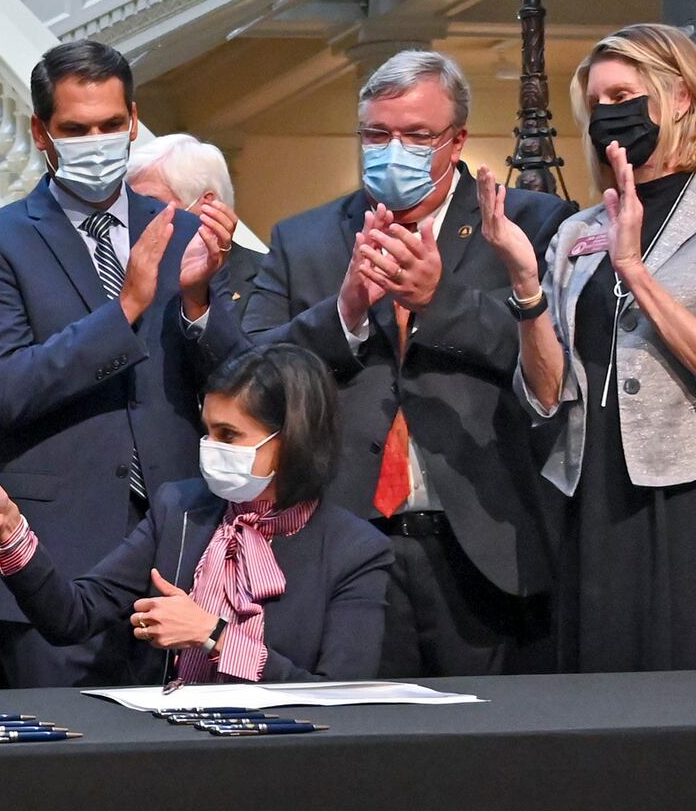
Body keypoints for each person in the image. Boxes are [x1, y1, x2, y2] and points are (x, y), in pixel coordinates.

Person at [241, 50, 573, 678]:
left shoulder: (532, 222)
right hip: (347, 544)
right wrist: (343, 313)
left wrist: (439, 301)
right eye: (377, 134)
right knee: (362, 730)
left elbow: (554, 366)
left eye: (418, 136)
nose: (394, 150)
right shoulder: (302, 238)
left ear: (458, 141)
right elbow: (250, 378)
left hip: (486, 540)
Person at [0, 39, 242, 687]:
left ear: (133, 120)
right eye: (76, 129)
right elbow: (5, 387)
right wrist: (127, 306)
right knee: (62, 747)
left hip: (179, 551)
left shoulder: (182, 230)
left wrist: (199, 303)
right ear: (41, 133)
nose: (96, 141)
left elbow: (238, 387)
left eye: (110, 124)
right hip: (55, 556)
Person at [0, 345, 392, 682]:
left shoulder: (355, 550)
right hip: (175, 744)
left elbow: (339, 696)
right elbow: (73, 616)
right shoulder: (180, 510)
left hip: (281, 754)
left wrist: (213, 635)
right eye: (208, 432)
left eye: (229, 435)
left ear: (293, 438)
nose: (211, 448)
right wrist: (11, 529)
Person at [485, 23, 696, 672]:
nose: (608, 115)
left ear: (682, 97)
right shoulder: (580, 229)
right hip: (592, 485)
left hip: (682, 488)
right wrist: (526, 285)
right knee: (602, 677)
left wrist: (633, 268)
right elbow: (547, 394)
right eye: (597, 104)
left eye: (623, 97)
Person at [127, 134, 264, 318]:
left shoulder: (267, 280)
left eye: (150, 202)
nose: (136, 214)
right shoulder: (127, 273)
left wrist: (196, 301)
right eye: (132, 203)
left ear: (208, 206)